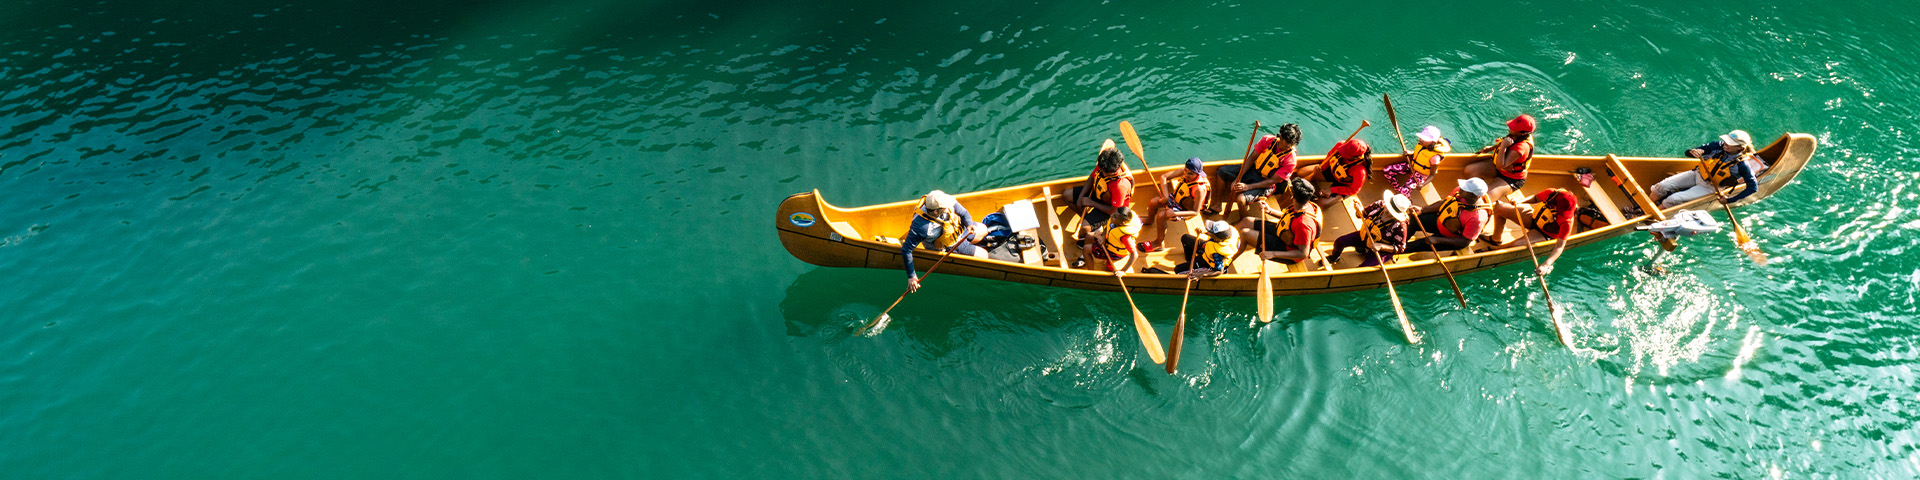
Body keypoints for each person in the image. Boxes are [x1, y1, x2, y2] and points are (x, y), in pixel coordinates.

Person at [901, 190, 987, 293]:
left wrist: (969, 224)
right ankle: (966, 250)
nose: (950, 207)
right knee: (984, 255)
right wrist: (912, 276)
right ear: (936, 211)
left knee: (984, 229)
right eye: (946, 207)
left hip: (958, 229)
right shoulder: (921, 227)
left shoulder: (944, 200)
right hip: (948, 244)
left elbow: (963, 213)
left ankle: (970, 245)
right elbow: (906, 250)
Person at [1652, 130, 1761, 208]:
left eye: (1730, 144)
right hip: (1697, 174)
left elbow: (1753, 187)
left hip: (1710, 187)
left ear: (1740, 148)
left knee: (1673, 199)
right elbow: (1688, 153)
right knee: (1662, 186)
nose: (1726, 144)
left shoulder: (1743, 165)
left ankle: (1652, 214)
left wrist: (1728, 200)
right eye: (1726, 141)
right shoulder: (1717, 145)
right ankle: (1642, 208)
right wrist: (1694, 152)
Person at [1211, 123, 1301, 215]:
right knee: (1221, 172)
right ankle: (1218, 204)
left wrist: (1247, 187)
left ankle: (1243, 221)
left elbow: (1272, 181)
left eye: (1292, 143)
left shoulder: (1291, 160)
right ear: (1281, 137)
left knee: (1241, 199)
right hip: (1253, 170)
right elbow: (1251, 158)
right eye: (1288, 142)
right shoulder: (1267, 140)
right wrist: (1239, 177)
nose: (1289, 145)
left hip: (1266, 183)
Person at [1485, 188, 1577, 275]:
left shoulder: (1567, 221)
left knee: (1516, 245)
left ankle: (1495, 248)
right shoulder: (1551, 193)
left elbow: (1559, 247)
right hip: (1535, 219)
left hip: (1544, 233)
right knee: (1500, 207)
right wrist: (1520, 201)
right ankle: (1495, 239)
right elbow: (1535, 198)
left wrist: (1546, 265)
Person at [1237, 178, 1321, 265]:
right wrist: (1269, 210)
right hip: (1284, 232)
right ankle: (1225, 239)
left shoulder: (1304, 225)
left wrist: (1273, 254)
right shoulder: (1304, 205)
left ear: (1292, 195)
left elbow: (1303, 253)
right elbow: (1289, 216)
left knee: (1245, 234)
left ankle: (1225, 263)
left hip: (1288, 250)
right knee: (1246, 221)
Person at [1061, 139, 1134, 234]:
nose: (1101, 172)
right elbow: (1092, 177)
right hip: (1100, 194)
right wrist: (1081, 197)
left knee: (1084, 228)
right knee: (1067, 195)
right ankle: (1089, 220)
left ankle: (1094, 227)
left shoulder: (1120, 186)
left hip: (1110, 209)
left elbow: (1112, 210)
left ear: (1112, 172)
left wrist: (1091, 203)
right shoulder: (1104, 164)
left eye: (1104, 172)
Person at [1140, 157, 1211, 252]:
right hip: (1176, 200)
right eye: (1185, 171)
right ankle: (1149, 220)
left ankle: (1159, 243)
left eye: (1190, 173)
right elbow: (1164, 177)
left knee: (1161, 216)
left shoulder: (1199, 189)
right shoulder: (1184, 171)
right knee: (1154, 202)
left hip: (1185, 211)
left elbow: (1195, 212)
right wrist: (1165, 197)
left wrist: (1175, 214)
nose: (1186, 174)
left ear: (1197, 174)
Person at [1405, 178, 1492, 254]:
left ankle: (1398, 250)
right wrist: (1422, 210)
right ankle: (1400, 241)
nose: (1461, 188)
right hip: (1442, 220)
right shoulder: (1459, 192)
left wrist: (1437, 240)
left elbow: (1465, 241)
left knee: (1417, 245)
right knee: (1413, 220)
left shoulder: (1478, 218)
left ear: (1473, 196)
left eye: (1465, 189)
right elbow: (1444, 203)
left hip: (1451, 238)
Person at [1463, 114, 1537, 200]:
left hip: (1510, 178)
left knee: (1485, 199)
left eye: (1514, 128)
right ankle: (1491, 186)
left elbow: (1500, 165)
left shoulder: (1521, 148)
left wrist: (1503, 147)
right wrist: (1491, 148)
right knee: (1469, 171)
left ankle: (1494, 189)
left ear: (1523, 133)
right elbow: (1504, 143)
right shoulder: (1517, 135)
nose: (1510, 129)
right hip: (1499, 169)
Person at [1328, 193, 1411, 267]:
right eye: (1388, 208)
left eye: (1391, 213)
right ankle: (1335, 258)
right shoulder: (1379, 205)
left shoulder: (1400, 226)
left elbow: (1400, 248)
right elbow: (1362, 214)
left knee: (1363, 268)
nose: (1387, 212)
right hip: (1365, 237)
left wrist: (1381, 246)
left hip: (1380, 249)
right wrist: (1358, 210)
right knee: (1340, 241)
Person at [1294, 138, 1372, 208]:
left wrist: (1332, 190)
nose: (1342, 153)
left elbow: (1354, 190)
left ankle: (1319, 193)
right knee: (1301, 173)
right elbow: (1330, 155)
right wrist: (1321, 168)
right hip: (1332, 171)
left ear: (1356, 157)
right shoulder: (1341, 145)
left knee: (1321, 204)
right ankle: (1317, 191)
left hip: (1343, 184)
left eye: (1346, 154)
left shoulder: (1360, 171)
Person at [1382, 125, 1451, 196]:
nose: (1421, 140)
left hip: (1421, 175)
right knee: (1387, 170)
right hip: (1412, 167)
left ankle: (1409, 204)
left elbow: (1432, 175)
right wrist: (1410, 153)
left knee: (1402, 192)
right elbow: (1418, 154)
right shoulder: (1422, 145)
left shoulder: (1435, 157)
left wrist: (1422, 184)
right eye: (1421, 138)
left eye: (1425, 139)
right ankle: (1397, 189)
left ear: (1433, 142)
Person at [1077, 206, 1143, 272]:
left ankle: (1091, 272)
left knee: (1086, 249)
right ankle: (1086, 257)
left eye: (1115, 216)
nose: (1111, 215)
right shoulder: (1115, 221)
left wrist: (1122, 271)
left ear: (1122, 223)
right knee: (1088, 235)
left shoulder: (1125, 237)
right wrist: (1103, 236)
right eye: (1114, 213)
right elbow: (1108, 227)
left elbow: (1134, 255)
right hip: (1108, 239)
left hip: (1114, 253)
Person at [1168, 220, 1239, 276]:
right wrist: (1204, 232)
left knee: (1178, 270)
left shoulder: (1217, 253)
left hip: (1208, 263)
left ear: (1217, 239)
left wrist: (1200, 275)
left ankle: (1195, 267)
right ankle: (1190, 261)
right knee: (1185, 238)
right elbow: (1215, 236)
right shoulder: (1229, 232)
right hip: (1208, 249)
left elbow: (1219, 271)